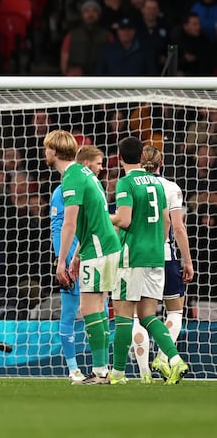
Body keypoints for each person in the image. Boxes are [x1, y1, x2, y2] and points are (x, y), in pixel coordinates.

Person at [109, 137, 189, 385]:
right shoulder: (156, 184)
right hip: (157, 255)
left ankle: (118, 373)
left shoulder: (125, 183)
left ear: (119, 157)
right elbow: (167, 220)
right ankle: (175, 360)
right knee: (147, 316)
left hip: (132, 257)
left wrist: (101, 215)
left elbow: (124, 220)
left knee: (123, 315)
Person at [45, 130, 120, 385]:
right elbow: (91, 219)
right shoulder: (84, 173)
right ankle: (102, 370)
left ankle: (100, 371)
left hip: (98, 249)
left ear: (54, 152)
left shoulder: (71, 178)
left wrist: (61, 261)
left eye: (47, 149)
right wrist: (77, 255)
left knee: (89, 309)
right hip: (104, 245)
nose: (45, 153)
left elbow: (70, 223)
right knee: (97, 308)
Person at [49, 145, 104, 383]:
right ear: (85, 164)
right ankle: (74, 370)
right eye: (97, 163)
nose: (100, 169)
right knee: (70, 313)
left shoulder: (89, 185)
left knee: (99, 312)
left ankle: (101, 368)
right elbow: (60, 229)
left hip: (91, 256)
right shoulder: (62, 191)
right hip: (76, 261)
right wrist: (64, 260)